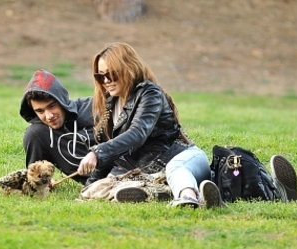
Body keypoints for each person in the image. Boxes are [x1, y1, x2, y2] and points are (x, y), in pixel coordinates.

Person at [76, 42, 223, 208]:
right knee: (104, 186)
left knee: (175, 168)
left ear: (128, 69)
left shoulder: (150, 93)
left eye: (112, 74)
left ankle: (188, 198)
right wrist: (88, 188)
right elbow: (110, 154)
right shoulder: (109, 104)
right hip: (147, 173)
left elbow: (137, 133)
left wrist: (97, 153)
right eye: (100, 76)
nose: (106, 81)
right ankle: (158, 192)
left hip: (182, 158)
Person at [20, 69, 95, 185]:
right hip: (98, 183)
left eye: (52, 106)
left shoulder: (93, 108)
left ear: (62, 100)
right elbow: (36, 179)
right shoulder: (37, 134)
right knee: (33, 132)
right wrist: (43, 182)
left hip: (123, 168)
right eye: (40, 111)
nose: (49, 116)